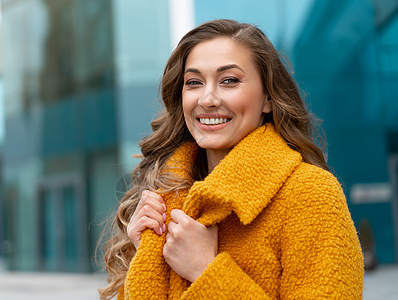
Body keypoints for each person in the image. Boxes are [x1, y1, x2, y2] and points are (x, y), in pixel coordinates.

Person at [99, 19, 364, 299]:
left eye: (229, 81)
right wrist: (147, 254)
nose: (208, 98)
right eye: (194, 82)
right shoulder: (165, 197)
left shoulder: (311, 195)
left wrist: (206, 270)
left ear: (268, 98)